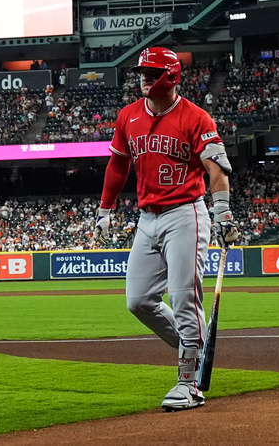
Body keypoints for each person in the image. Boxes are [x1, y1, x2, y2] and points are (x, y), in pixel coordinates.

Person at [94, 47, 240, 412]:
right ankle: (194, 350)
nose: (144, 77)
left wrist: (222, 214)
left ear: (170, 76)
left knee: (185, 298)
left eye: (151, 72)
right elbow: (117, 166)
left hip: (185, 214)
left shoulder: (196, 117)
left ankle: (188, 384)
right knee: (139, 300)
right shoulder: (128, 116)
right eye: (142, 71)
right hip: (147, 217)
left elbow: (216, 170)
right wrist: (105, 209)